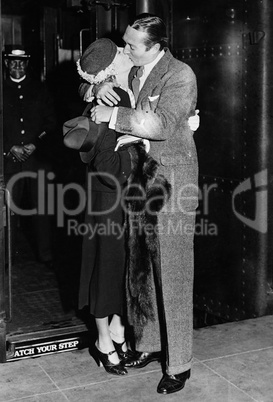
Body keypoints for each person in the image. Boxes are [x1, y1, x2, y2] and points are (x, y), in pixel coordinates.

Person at [86, 15, 199, 395]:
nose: (125, 49)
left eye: (132, 44)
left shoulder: (179, 74)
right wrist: (99, 90)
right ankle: (148, 345)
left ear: (155, 46)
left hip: (172, 185)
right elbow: (98, 79)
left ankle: (179, 364)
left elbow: (164, 125)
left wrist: (114, 116)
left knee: (175, 275)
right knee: (144, 270)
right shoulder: (135, 73)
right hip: (141, 183)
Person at [3, 47, 56, 267]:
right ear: (6, 64)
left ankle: (45, 255)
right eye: (13, 62)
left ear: (27, 64)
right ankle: (7, 256)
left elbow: (51, 123)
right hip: (9, 161)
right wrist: (9, 148)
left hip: (37, 159)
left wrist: (36, 143)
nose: (18, 66)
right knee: (8, 210)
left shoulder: (40, 89)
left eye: (22, 62)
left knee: (42, 209)